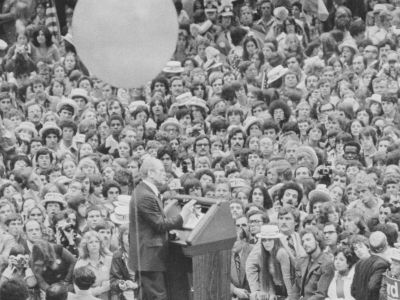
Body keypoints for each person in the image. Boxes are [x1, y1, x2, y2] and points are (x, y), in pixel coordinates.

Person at [128, 157, 196, 300]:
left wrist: (169, 234)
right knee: (157, 297)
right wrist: (183, 215)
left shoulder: (144, 191)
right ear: (151, 173)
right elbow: (159, 224)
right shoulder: (145, 195)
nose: (165, 173)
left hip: (150, 257)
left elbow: (151, 224)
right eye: (161, 171)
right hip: (149, 258)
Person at [246, 224, 297, 300]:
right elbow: (267, 277)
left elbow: (287, 277)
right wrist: (272, 294)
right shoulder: (261, 255)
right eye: (264, 240)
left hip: (290, 288)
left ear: (276, 240)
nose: (267, 243)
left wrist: (290, 296)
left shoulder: (281, 253)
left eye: (270, 240)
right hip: (276, 289)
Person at [295, 227, 334, 300]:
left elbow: (321, 295)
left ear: (317, 241)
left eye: (308, 240)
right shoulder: (301, 261)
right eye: (303, 241)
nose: (305, 244)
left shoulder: (327, 263)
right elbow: (296, 289)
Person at [351, 231, 391, 300]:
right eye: (355, 248)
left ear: (369, 246)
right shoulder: (382, 264)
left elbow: (353, 291)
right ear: (385, 245)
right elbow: (372, 286)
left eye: (360, 247)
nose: (358, 251)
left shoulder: (360, 263)